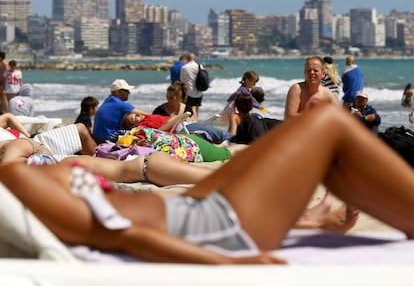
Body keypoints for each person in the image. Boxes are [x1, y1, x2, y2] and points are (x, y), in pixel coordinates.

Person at [3, 103, 414, 264]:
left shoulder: (18, 176)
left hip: (197, 204)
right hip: (213, 221)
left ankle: (314, 220)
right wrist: (228, 263)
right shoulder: (18, 181)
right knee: (328, 124)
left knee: (318, 134)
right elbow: (125, 234)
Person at [113, 112, 243, 162]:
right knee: (228, 147)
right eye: (134, 117)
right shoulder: (144, 128)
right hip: (186, 139)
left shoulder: (143, 132)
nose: (138, 115)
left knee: (227, 150)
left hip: (189, 143)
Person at [152, 82, 232, 144]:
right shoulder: (159, 110)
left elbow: (193, 121)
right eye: (167, 96)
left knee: (206, 131)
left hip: (190, 131)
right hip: (176, 135)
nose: (168, 99)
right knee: (208, 132)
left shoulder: (187, 108)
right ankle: (231, 139)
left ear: (179, 97)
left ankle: (233, 139)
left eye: (171, 97)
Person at [0, 122, 97, 164]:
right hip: (16, 149)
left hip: (32, 140)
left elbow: (7, 117)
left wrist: (27, 136)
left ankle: (100, 155)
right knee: (83, 162)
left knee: (80, 129)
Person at [180, 53, 203, 120]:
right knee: (197, 106)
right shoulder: (200, 66)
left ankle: (191, 120)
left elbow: (182, 79)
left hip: (189, 90)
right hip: (199, 90)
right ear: (194, 58)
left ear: (187, 58)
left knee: (189, 108)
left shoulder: (184, 67)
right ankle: (196, 120)